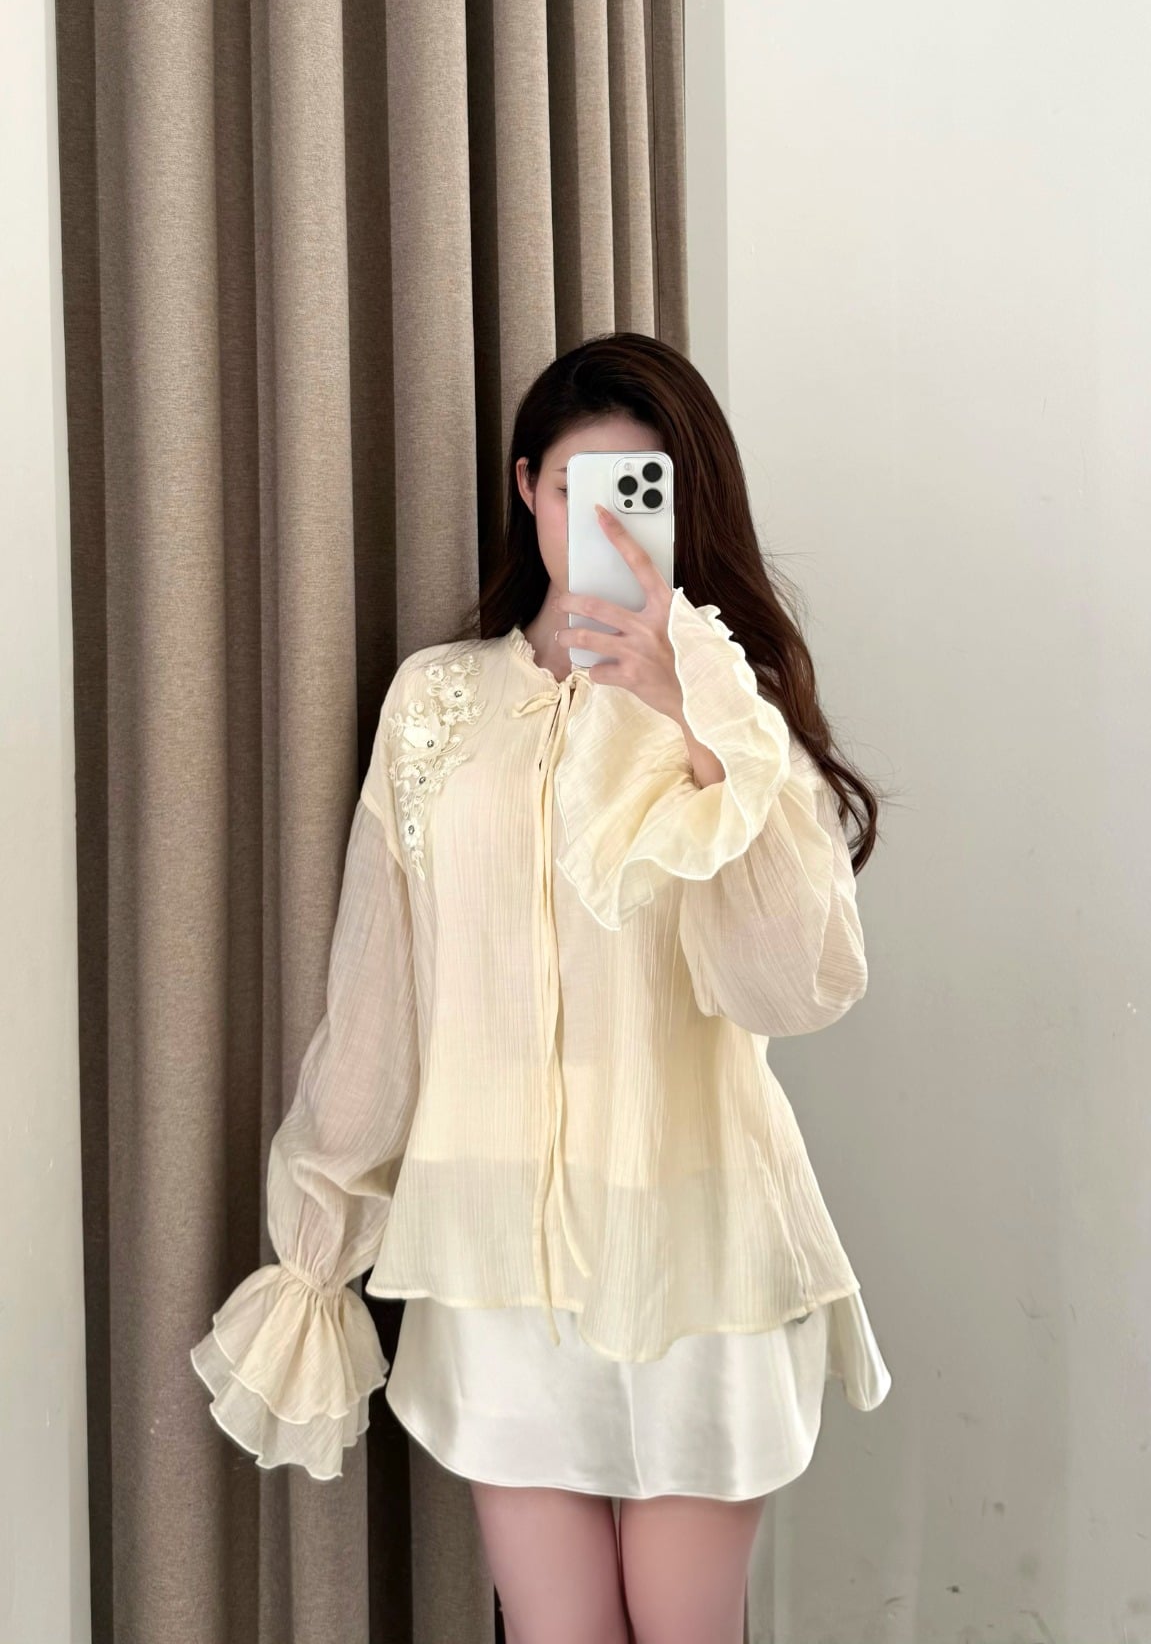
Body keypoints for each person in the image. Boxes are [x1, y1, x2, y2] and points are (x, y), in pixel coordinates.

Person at [190, 332, 892, 1644]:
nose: (606, 526)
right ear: (526, 488)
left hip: (698, 1253)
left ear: (685, 506)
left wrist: (697, 723)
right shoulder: (435, 703)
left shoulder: (730, 713)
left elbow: (791, 987)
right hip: (492, 1255)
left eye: (641, 493)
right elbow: (380, 993)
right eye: (578, 488)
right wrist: (321, 1242)